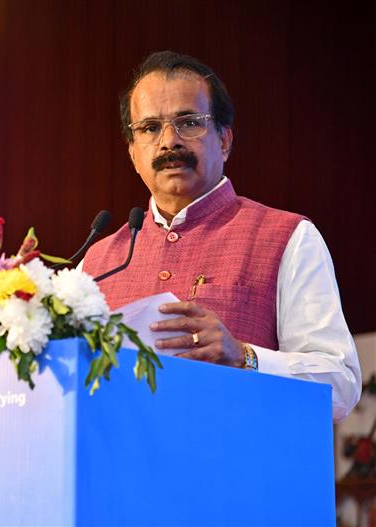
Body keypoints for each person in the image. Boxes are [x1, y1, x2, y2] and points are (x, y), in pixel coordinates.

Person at [82, 50, 361, 421]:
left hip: (240, 473)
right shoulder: (97, 260)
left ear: (224, 140)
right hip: (116, 475)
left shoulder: (288, 237)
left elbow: (340, 387)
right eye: (150, 128)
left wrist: (244, 356)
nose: (169, 141)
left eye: (189, 122)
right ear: (133, 153)